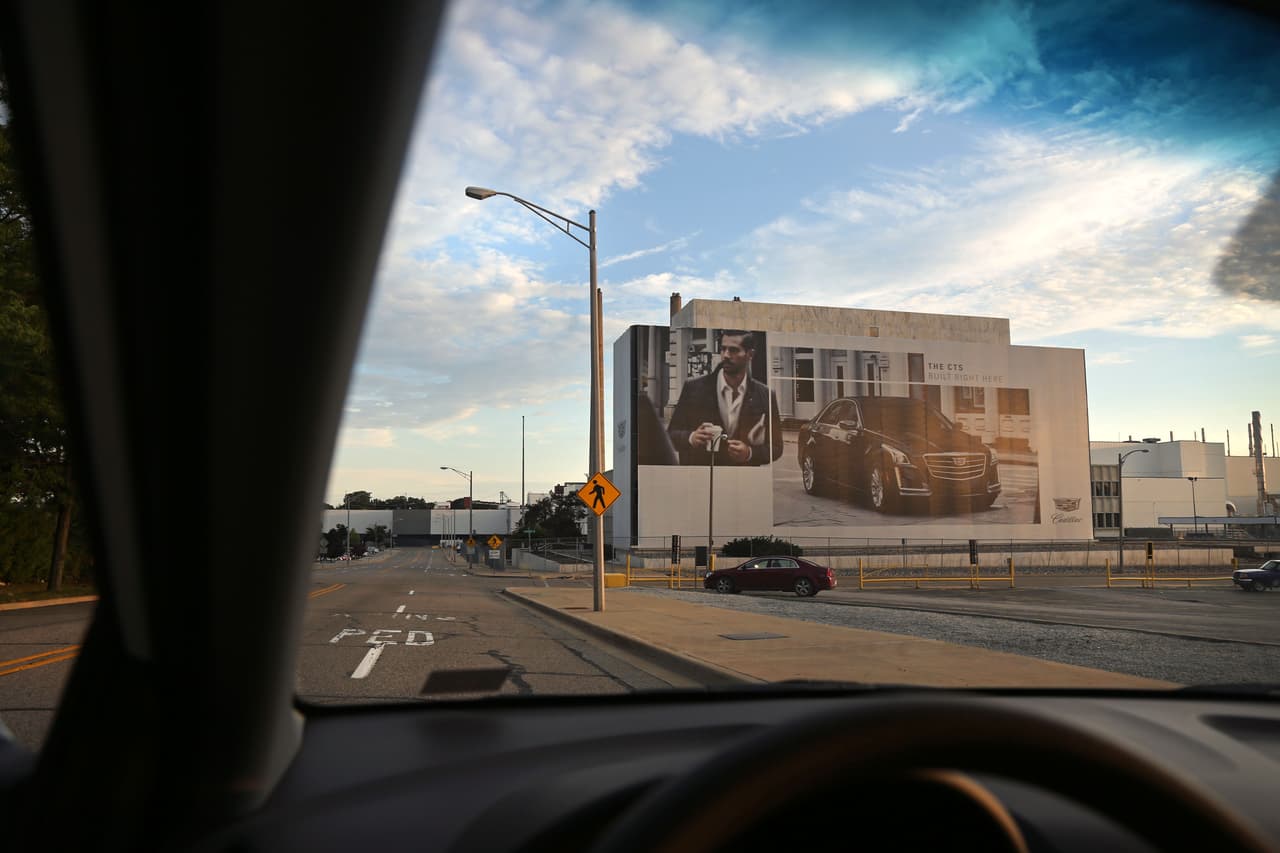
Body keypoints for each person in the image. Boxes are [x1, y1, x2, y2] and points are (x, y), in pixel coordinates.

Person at [666, 330, 783, 466]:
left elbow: (776, 447)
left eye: (733, 350)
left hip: (742, 479)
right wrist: (692, 437)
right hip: (701, 477)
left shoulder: (765, 395)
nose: (726, 355)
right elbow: (670, 435)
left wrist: (750, 453)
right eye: (723, 349)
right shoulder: (693, 389)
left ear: (750, 355)